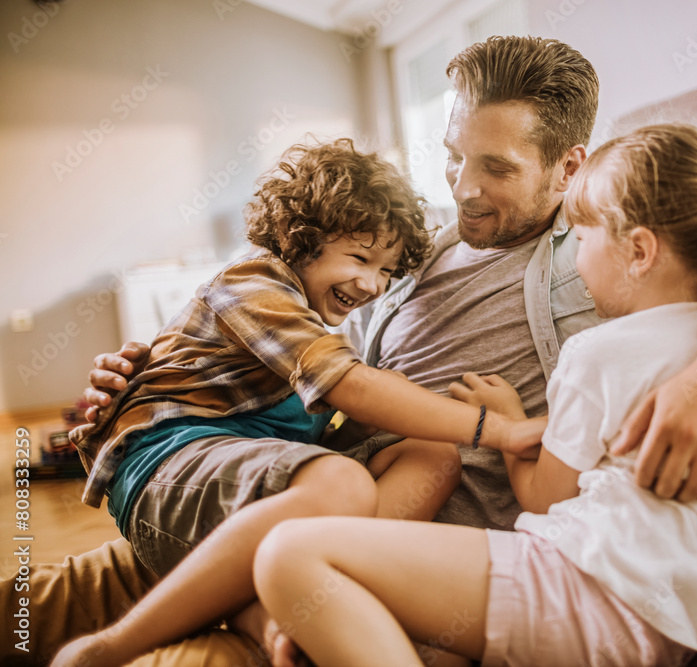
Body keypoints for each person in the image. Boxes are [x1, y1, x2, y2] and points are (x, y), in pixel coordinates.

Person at [11, 35, 697, 666]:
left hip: (400, 556)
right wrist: (169, 378)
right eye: (453, 156)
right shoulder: (421, 252)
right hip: (281, 486)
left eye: (496, 166)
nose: (465, 187)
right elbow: (321, 362)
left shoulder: (595, 250)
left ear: (568, 169)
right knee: (27, 608)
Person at [251, 122, 697, 667]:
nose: (465, 188)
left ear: (639, 250)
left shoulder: (599, 348)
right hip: (675, 622)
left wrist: (514, 425)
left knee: (288, 558)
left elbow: (547, 497)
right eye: (455, 156)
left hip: (588, 586)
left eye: (584, 234)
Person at [50, 138, 541, 667]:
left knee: (431, 456)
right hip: (167, 468)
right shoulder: (256, 284)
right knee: (339, 482)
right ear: (301, 239)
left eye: (386, 271)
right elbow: (352, 388)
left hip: (242, 492)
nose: (372, 283)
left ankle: (287, 600)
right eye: (360, 258)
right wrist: (497, 430)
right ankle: (109, 648)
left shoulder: (317, 313)